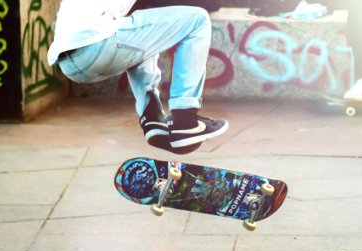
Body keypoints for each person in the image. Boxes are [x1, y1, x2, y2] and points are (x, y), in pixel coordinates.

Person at [47, 0, 228, 149]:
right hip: (98, 43)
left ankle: (152, 117)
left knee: (145, 39)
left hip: (70, 61)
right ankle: (185, 118)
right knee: (198, 18)